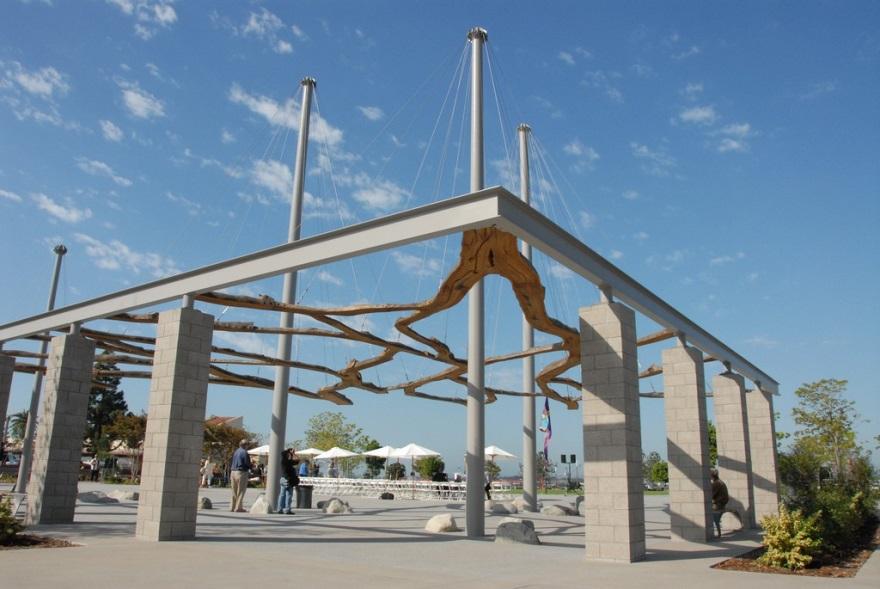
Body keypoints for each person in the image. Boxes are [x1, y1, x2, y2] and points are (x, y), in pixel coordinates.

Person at [230, 439, 252, 512]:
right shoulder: (244, 452)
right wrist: (252, 467)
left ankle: (232, 507)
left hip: (233, 472)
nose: (248, 446)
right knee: (241, 491)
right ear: (245, 445)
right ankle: (238, 507)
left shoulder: (236, 451)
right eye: (248, 445)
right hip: (241, 472)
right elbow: (247, 463)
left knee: (234, 491)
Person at [710, 469, 729, 538]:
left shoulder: (716, 483)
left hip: (718, 505)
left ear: (711, 476)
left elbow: (710, 495)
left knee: (702, 510)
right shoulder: (720, 482)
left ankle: (715, 533)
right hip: (721, 504)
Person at [277, 450, 296, 515]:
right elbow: (298, 460)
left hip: (283, 479)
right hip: (288, 479)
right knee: (289, 495)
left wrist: (290, 453)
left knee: (282, 495)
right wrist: (293, 454)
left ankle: (279, 509)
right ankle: (287, 509)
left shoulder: (283, 461)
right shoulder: (288, 462)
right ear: (287, 455)